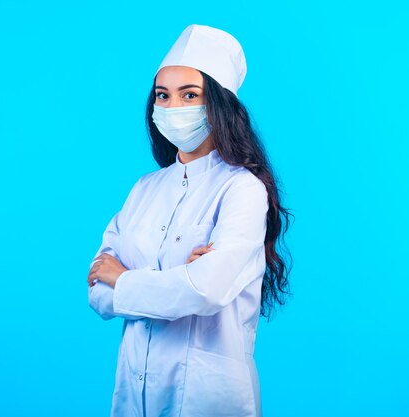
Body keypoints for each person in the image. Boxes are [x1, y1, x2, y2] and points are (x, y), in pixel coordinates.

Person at [86, 24, 293, 417]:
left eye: (190, 95)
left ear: (218, 105)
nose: (172, 107)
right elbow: (97, 289)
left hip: (207, 396)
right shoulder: (144, 189)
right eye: (162, 95)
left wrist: (126, 278)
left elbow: (207, 290)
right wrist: (178, 280)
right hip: (135, 389)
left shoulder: (241, 190)